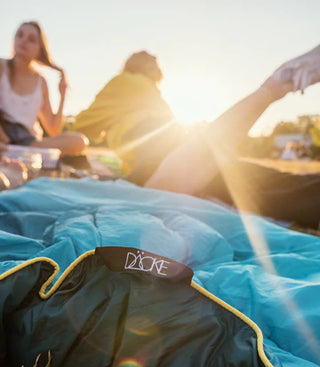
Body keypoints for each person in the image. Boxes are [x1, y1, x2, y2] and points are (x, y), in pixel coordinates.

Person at [145, 45, 320, 229]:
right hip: (183, 169)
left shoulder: (140, 96)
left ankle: (272, 87)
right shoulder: (147, 97)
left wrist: (270, 91)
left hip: (181, 167)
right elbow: (169, 181)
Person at [75, 51, 185, 183]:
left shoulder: (142, 86)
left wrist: (106, 124)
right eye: (152, 65)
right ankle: (148, 173)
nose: (155, 68)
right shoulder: (127, 82)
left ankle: (146, 174)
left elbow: (84, 123)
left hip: (151, 147)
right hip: (158, 145)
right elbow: (84, 123)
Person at [0, 21, 88, 156]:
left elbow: (53, 129)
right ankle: (19, 152)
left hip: (29, 142)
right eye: (20, 35)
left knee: (79, 141)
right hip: (3, 133)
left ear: (39, 48)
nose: (23, 41)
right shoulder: (2, 66)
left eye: (31, 39)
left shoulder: (41, 82)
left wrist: (62, 97)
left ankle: (19, 152)